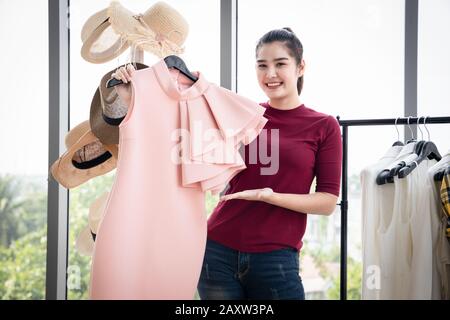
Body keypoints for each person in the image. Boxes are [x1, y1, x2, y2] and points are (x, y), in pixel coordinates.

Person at [111, 27, 342, 300]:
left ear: (300, 67)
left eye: (280, 64)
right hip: (216, 251)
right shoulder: (241, 112)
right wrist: (132, 91)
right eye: (262, 65)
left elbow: (327, 201)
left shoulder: (323, 126)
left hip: (275, 258)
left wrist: (269, 196)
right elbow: (176, 126)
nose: (270, 74)